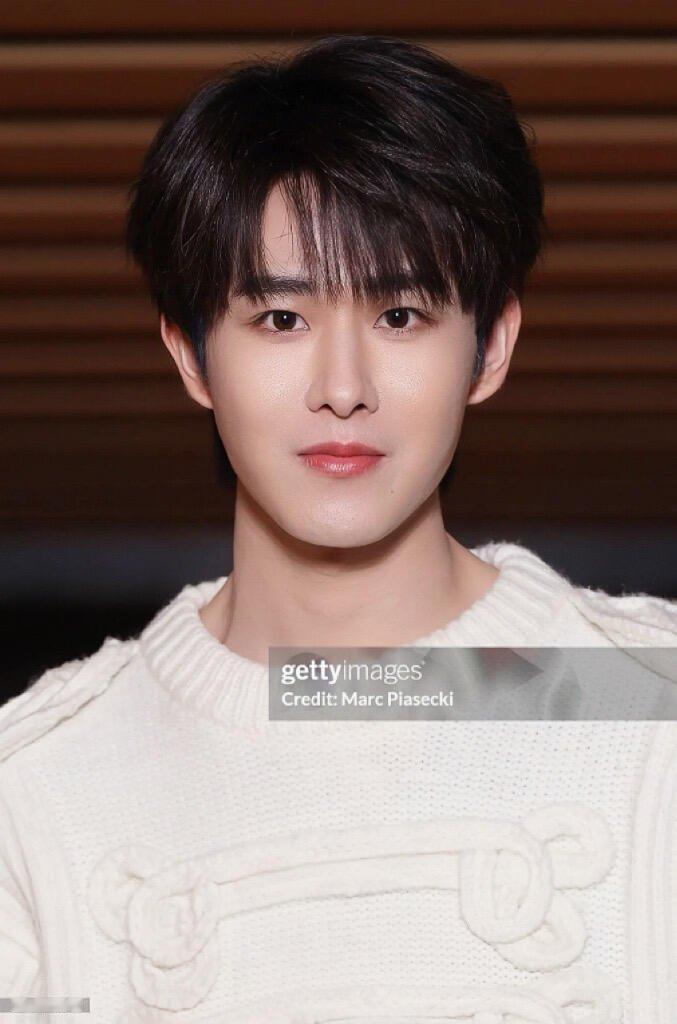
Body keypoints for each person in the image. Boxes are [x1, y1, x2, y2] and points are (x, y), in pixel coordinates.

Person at [1, 34, 675, 1024]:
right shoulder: (39, 790)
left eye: (399, 315)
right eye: (281, 320)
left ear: (490, 346)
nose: (343, 389)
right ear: (191, 357)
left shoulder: (649, 710)